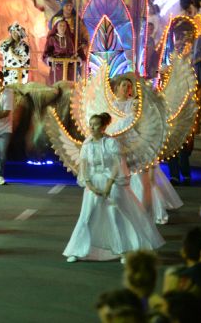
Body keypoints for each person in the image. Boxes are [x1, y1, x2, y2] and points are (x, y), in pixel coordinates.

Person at [63, 113, 165, 263]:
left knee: (117, 214)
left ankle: (124, 250)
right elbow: (84, 166)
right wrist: (90, 185)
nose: (91, 127)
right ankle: (77, 250)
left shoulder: (111, 143)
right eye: (90, 124)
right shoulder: (86, 144)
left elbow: (118, 165)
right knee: (87, 215)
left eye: (95, 124)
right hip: (93, 182)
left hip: (112, 180)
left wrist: (109, 185)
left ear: (103, 127)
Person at [112, 77, 183, 224]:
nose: (126, 89)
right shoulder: (111, 105)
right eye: (123, 85)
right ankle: (127, 210)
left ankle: (147, 211)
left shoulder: (135, 104)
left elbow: (142, 122)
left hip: (137, 144)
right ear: (117, 87)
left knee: (142, 179)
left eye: (129, 86)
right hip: (119, 144)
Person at [42, 17, 83, 82]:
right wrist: (49, 58)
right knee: (57, 88)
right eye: (60, 25)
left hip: (69, 68)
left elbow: (77, 51)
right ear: (56, 27)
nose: (62, 27)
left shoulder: (70, 39)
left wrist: (76, 57)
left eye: (64, 26)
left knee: (69, 88)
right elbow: (46, 54)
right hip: (57, 68)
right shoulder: (52, 39)